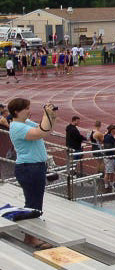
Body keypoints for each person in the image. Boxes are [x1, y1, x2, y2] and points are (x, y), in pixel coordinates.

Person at [7, 98, 57, 248]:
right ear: (17, 111)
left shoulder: (24, 123)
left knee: (35, 204)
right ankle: (31, 238)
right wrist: (46, 115)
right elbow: (40, 132)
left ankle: (31, 236)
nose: (29, 111)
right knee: (33, 205)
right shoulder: (16, 127)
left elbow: (46, 129)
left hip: (34, 168)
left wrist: (51, 115)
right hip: (29, 168)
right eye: (26, 108)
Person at [102, 124, 115, 189]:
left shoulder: (108, 136)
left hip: (111, 157)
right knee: (108, 172)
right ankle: (106, 186)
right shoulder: (108, 138)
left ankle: (111, 184)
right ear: (112, 130)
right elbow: (108, 148)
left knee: (112, 172)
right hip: (109, 158)